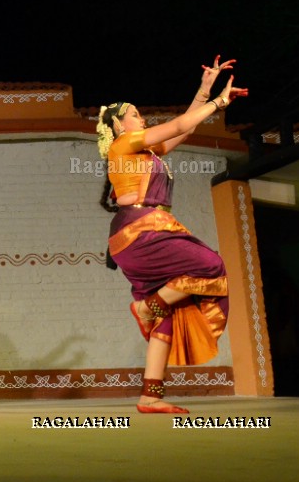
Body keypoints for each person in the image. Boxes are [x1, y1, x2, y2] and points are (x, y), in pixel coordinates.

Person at [97, 55, 247, 413]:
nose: (140, 117)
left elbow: (185, 128)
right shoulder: (126, 144)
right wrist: (218, 103)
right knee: (210, 266)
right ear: (118, 125)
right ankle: (145, 306)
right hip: (142, 230)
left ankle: (150, 395)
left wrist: (204, 88)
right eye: (133, 113)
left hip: (136, 234)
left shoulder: (145, 150)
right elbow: (180, 122)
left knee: (167, 317)